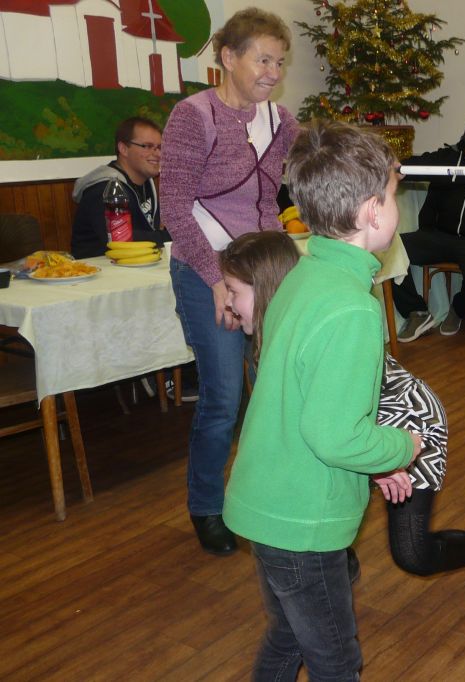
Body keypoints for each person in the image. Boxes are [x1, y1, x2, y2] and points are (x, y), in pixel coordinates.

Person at [220, 231, 465, 617]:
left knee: (413, 554)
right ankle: (334, 565)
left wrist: (383, 464)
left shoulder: (319, 323)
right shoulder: (272, 333)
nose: (226, 302)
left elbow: (342, 428)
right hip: (350, 436)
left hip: (406, 423)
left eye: (233, 291)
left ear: (265, 289)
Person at [222, 121, 421, 681]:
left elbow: (306, 396)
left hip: (269, 502)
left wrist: (372, 464)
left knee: (288, 636)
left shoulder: (303, 272)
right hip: (302, 521)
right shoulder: (353, 308)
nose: (395, 207)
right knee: (336, 661)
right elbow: (335, 435)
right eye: (392, 196)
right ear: (373, 212)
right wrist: (400, 448)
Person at [160, 8, 300, 556]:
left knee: (274, 389)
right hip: (206, 268)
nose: (273, 72)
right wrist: (216, 277)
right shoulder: (193, 116)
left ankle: (268, 495)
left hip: (265, 271)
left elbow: (303, 173)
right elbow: (175, 208)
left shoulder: (280, 120)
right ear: (228, 57)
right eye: (263, 60)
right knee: (222, 398)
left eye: (279, 63)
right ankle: (206, 506)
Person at [395, 113, 465, 341]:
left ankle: (458, 308)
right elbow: (417, 165)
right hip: (438, 236)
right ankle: (417, 312)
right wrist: (395, 168)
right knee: (390, 250)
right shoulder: (448, 158)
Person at [70, 117, 169, 258]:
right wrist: (171, 236)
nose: (158, 154)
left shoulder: (147, 183)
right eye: (147, 146)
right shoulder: (105, 189)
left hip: (138, 263)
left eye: (159, 147)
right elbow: (121, 239)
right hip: (99, 267)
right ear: (123, 149)